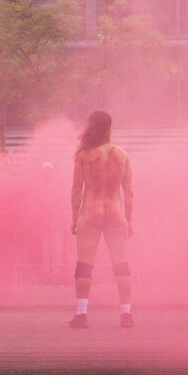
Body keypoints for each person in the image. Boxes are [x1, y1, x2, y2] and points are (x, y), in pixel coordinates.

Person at [69, 110, 134, 328]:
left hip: (91, 211)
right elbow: (129, 192)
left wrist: (74, 217)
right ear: (109, 127)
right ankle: (126, 314)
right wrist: (129, 219)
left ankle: (81, 314)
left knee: (85, 265)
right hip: (116, 212)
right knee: (121, 265)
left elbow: (77, 189)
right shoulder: (122, 155)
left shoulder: (84, 155)